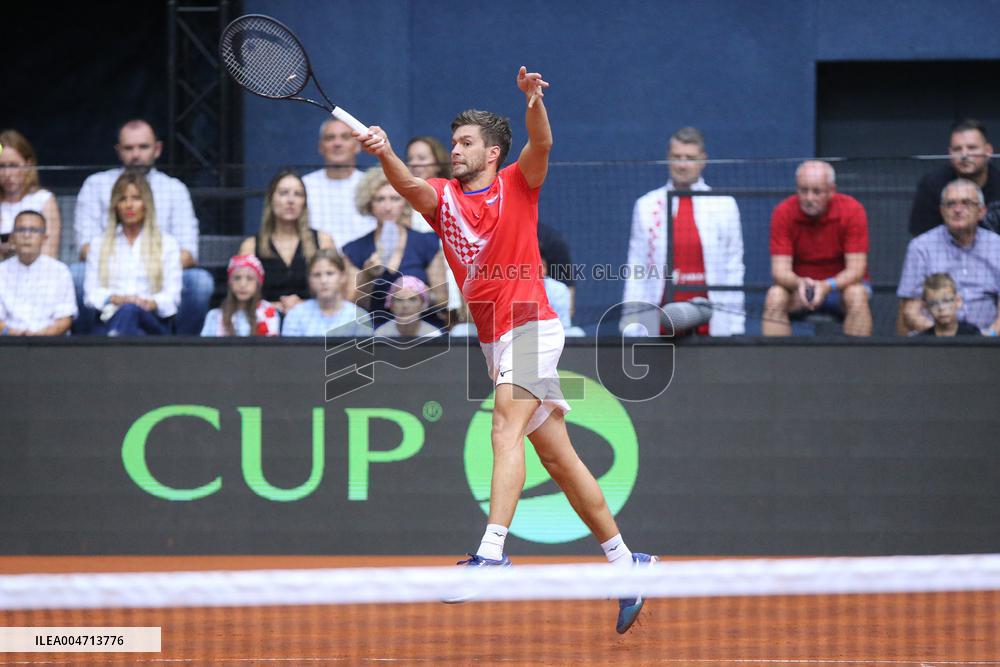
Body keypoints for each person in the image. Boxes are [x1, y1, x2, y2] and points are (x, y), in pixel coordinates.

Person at [355, 65, 656, 634]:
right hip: (495, 339)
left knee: (503, 429)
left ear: (493, 152)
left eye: (466, 143)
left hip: (532, 323)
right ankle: (627, 563)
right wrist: (386, 151)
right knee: (559, 461)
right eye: (454, 142)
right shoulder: (441, 199)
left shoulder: (518, 182)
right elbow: (406, 185)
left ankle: (492, 553)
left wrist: (533, 101)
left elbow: (542, 141)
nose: (455, 150)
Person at [73, 119, 212, 334]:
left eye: (143, 147)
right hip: (108, 275)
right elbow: (85, 248)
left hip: (161, 276)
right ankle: (81, 346)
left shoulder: (174, 189)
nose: (136, 154)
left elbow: (188, 253)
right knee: (77, 274)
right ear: (118, 151)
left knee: (200, 282)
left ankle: (183, 350)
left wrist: (146, 270)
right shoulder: (96, 184)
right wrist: (121, 281)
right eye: (129, 148)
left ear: (157, 149)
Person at [620, 127, 744, 336]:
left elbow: (734, 267)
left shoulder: (725, 205)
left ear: (703, 160)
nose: (683, 164)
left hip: (712, 320)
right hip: (658, 320)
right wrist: (631, 324)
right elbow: (636, 267)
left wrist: (735, 324)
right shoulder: (646, 206)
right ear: (668, 158)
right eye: (677, 157)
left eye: (690, 158)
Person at [763, 160, 873, 336]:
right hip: (799, 290)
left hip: (839, 289)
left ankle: (857, 361)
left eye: (817, 192)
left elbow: (856, 269)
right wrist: (800, 283)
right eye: (803, 191)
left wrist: (826, 286)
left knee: (857, 294)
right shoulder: (783, 212)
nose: (809, 198)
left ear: (831, 191)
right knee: (775, 296)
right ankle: (776, 361)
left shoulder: (853, 210)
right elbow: (779, 271)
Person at [342, 167, 446, 328]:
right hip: (376, 335)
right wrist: (368, 276)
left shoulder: (426, 243)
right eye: (380, 199)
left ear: (405, 203)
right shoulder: (355, 249)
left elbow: (442, 299)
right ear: (369, 204)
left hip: (423, 332)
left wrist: (420, 292)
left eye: (395, 199)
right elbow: (351, 306)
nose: (388, 207)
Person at [83, 172, 181, 336]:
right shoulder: (99, 244)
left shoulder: (166, 243)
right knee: (128, 317)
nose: (129, 205)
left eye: (136, 198)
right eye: (122, 199)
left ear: (146, 204)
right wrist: (117, 299)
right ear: (115, 205)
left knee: (131, 311)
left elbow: (172, 297)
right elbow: (91, 294)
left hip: (151, 320)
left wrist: (147, 303)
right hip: (111, 316)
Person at [897, 179, 1000, 336]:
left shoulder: (996, 246)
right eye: (951, 204)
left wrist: (987, 337)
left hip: (987, 341)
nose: (958, 209)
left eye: (966, 203)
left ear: (981, 211)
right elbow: (910, 310)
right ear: (942, 211)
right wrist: (942, 335)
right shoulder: (921, 247)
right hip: (934, 340)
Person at [238, 170, 336, 314]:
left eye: (298, 194)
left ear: (304, 202)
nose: (291, 200)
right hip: (264, 323)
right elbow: (240, 294)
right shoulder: (250, 246)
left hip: (314, 320)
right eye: (284, 193)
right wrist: (271, 307)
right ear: (271, 199)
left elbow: (336, 290)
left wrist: (304, 306)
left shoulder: (322, 241)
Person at [909, 119, 1000, 237]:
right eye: (957, 149)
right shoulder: (932, 185)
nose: (964, 155)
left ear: (988, 151)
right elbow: (921, 234)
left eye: (972, 148)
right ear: (950, 153)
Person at [302, 118, 377, 250]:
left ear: (358, 146)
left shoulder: (372, 184)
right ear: (321, 147)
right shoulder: (304, 186)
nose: (337, 143)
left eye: (345, 137)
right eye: (330, 138)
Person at [0, 210, 76, 336]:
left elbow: (65, 319)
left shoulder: (60, 271)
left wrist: (39, 337)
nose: (27, 235)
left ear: (44, 238)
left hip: (50, 344)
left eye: (34, 230)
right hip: (8, 344)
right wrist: (15, 335)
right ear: (12, 237)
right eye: (21, 230)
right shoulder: (1, 271)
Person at [281, 248, 372, 336]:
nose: (323, 280)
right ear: (309, 279)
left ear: (343, 276)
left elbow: (365, 351)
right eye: (317, 275)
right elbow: (289, 351)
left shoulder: (359, 318)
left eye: (330, 273)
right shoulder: (296, 315)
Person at [0, 130, 61, 259]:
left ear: (28, 164)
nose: (7, 174)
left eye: (13, 166)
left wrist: (13, 249)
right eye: (1, 166)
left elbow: (49, 255)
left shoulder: (44, 200)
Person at [200, 255, 280, 337]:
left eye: (250, 278)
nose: (242, 284)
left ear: (258, 284)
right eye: (237, 278)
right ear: (230, 283)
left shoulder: (268, 311)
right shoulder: (215, 316)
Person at [373, 275, 443, 337]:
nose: (405, 305)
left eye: (412, 299)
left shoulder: (433, 335)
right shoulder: (380, 335)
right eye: (399, 300)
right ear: (391, 305)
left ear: (423, 305)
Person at [916, 273, 981, 337]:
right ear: (926, 306)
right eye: (934, 303)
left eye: (946, 301)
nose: (941, 308)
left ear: (958, 301)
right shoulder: (921, 340)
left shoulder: (972, 334)